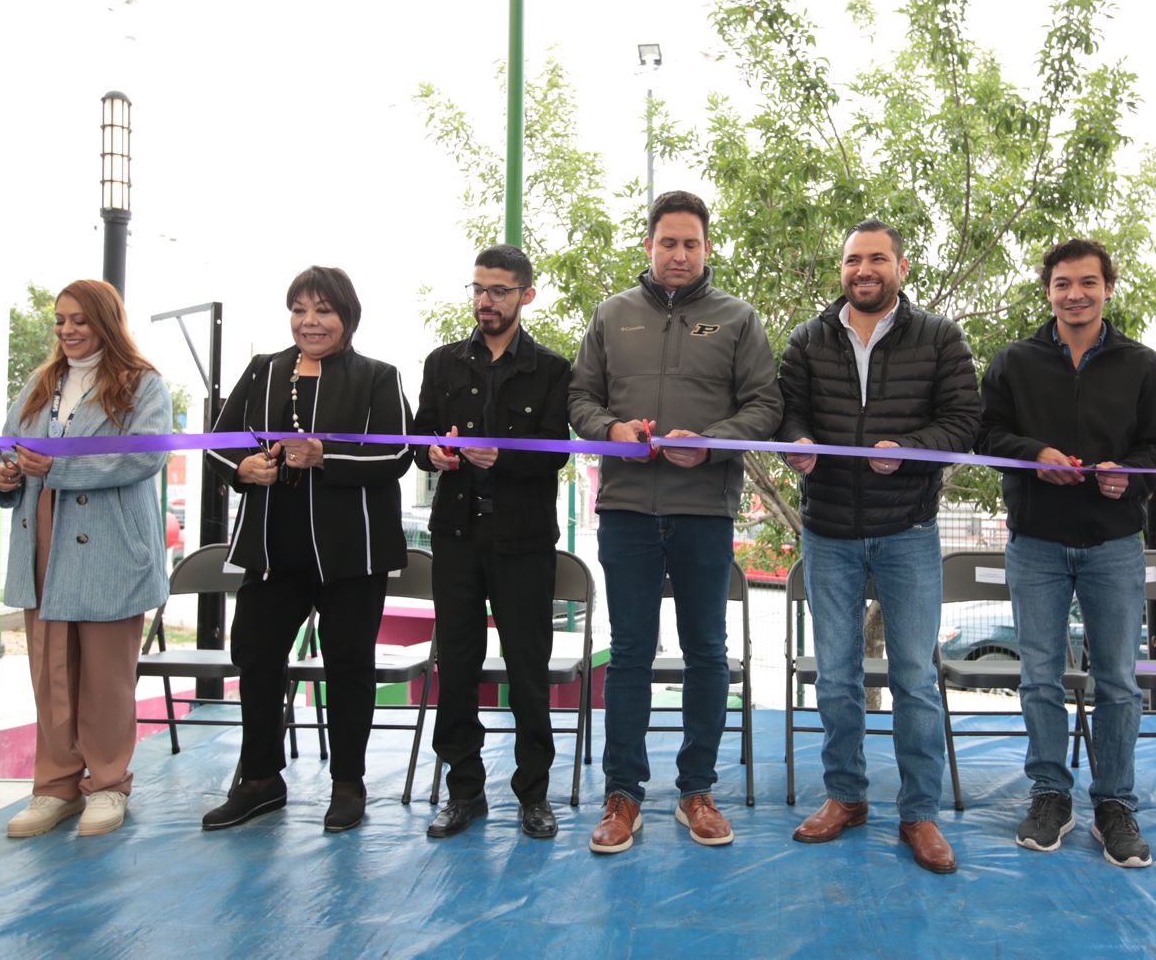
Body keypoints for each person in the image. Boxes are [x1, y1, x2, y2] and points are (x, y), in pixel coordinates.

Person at [569, 190, 783, 854]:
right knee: (629, 653)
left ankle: (697, 791)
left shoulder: (738, 318)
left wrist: (713, 444)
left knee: (707, 653)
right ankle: (623, 796)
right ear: (650, 246)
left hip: (703, 511)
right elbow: (579, 398)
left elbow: (766, 405)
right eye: (669, 242)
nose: (680, 254)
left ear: (707, 248)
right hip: (627, 510)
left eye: (691, 243)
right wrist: (612, 429)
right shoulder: (611, 316)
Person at [778, 219, 981, 876]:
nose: (863, 270)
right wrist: (797, 444)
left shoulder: (940, 336)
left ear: (902, 267)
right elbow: (787, 412)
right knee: (836, 677)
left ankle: (919, 812)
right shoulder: (808, 339)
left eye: (876, 259)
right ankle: (846, 797)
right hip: (828, 531)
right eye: (852, 260)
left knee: (915, 678)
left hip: (908, 530)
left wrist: (912, 450)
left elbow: (964, 422)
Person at [977, 238, 1156, 869]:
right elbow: (985, 434)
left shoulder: (1143, 365)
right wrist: (1033, 454)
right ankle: (1049, 794)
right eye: (1063, 283)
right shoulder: (1014, 362)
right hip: (1035, 544)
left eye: (1088, 282)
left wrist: (1132, 476)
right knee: (1039, 677)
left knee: (1117, 681)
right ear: (1048, 291)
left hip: (1114, 545)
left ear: (1107, 289)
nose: (1075, 294)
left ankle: (1115, 804)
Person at [201, 266, 411, 833]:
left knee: (349, 665)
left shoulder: (378, 376)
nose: (309, 322)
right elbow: (218, 445)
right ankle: (260, 782)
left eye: (323, 310)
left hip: (353, 552)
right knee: (255, 656)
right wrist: (243, 468)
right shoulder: (263, 370)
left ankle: (348, 784)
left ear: (348, 317)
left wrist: (326, 456)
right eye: (299, 310)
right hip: (273, 550)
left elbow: (397, 456)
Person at [0, 279, 173, 839]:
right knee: (50, 672)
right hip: (44, 535)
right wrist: (3, 476)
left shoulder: (143, 384)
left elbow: (144, 459)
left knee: (105, 676)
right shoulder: (40, 383)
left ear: (106, 322)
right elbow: (7, 446)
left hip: (111, 547)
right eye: (60, 320)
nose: (67, 330)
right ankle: (55, 787)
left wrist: (61, 469)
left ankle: (109, 782)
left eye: (80, 320)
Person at [414, 245, 572, 841]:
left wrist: (501, 456)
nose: (486, 300)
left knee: (527, 667)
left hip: (523, 540)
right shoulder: (442, 363)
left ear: (526, 295)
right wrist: (433, 452)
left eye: (499, 290)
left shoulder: (552, 369)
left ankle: (534, 793)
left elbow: (556, 453)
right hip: (456, 536)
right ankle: (463, 791)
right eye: (478, 288)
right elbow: (418, 437)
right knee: (456, 665)